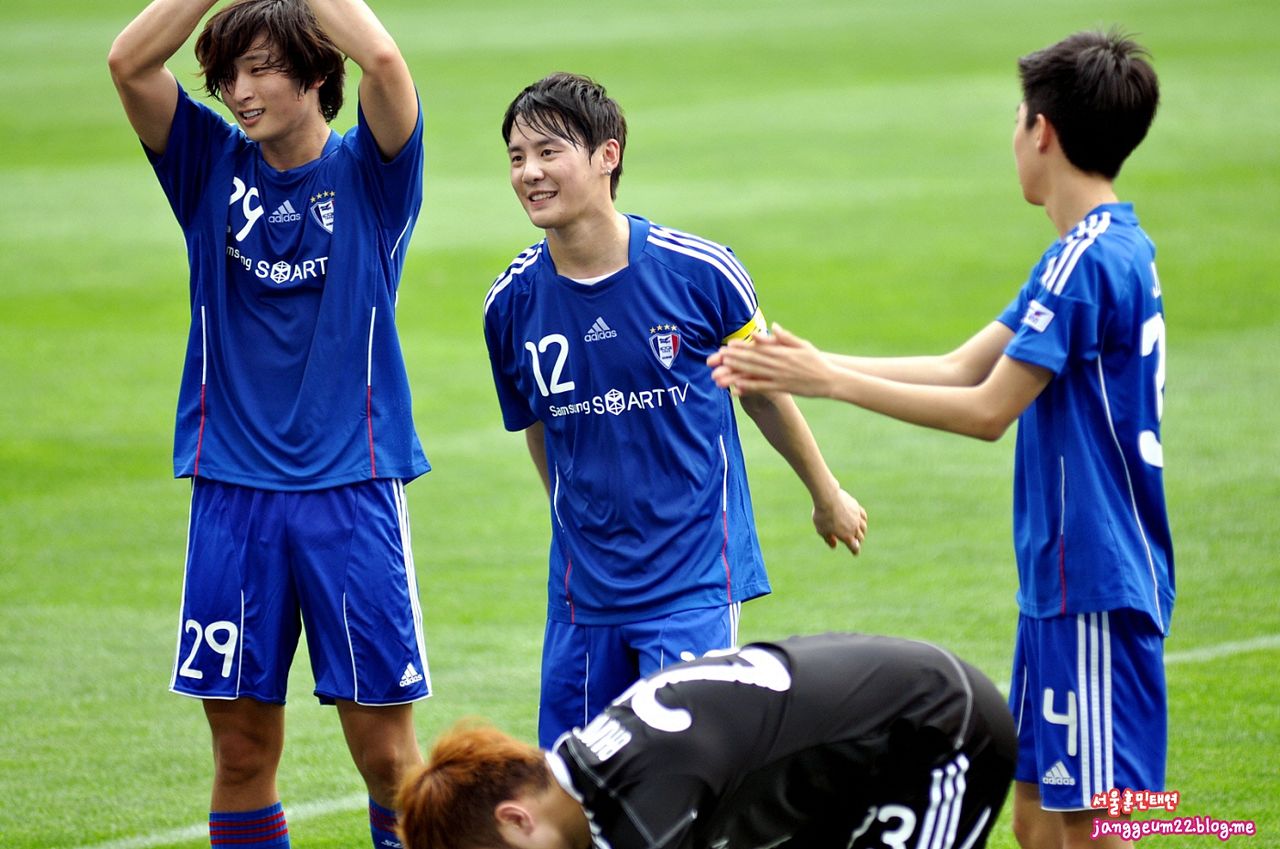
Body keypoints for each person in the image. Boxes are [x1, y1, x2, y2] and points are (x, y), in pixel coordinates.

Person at [710, 29, 1172, 849]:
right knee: (1035, 820)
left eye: (1017, 120)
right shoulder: (1094, 250)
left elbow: (988, 409)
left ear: (1041, 131)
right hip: (1063, 581)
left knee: (1097, 826)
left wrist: (830, 384)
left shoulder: (1087, 262)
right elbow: (961, 364)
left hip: (1095, 577)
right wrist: (810, 364)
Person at [108, 1, 429, 846]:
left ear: (317, 73)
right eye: (228, 75)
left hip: (351, 489)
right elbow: (129, 63)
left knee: (387, 756)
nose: (239, 92)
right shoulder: (207, 162)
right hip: (232, 494)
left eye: (260, 69)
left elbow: (385, 64)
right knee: (241, 749)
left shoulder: (372, 172)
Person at [482, 72, 869, 748]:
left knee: (681, 769)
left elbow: (761, 390)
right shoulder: (510, 304)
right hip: (582, 592)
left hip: (690, 580)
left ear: (607, 156)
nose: (529, 172)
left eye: (548, 152)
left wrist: (825, 493)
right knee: (571, 779)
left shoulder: (701, 272)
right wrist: (575, 523)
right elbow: (539, 426)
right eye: (517, 157)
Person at [397, 632, 1017, 849]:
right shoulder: (593, 768)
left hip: (940, 731)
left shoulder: (644, 798)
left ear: (516, 819)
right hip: (857, 762)